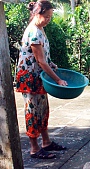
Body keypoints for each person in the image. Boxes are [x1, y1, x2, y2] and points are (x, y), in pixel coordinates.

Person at [16, 0, 68, 159]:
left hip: (40, 76)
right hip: (30, 77)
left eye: (50, 17)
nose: (48, 20)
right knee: (33, 112)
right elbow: (40, 61)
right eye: (46, 16)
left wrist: (52, 65)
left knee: (43, 110)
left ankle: (46, 142)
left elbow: (44, 58)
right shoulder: (33, 32)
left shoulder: (40, 29)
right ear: (37, 14)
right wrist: (58, 80)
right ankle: (34, 148)